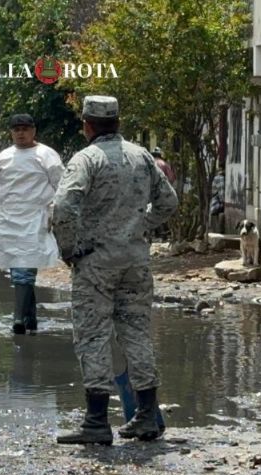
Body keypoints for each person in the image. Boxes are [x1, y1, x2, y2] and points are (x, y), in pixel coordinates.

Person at [52, 96, 178, 445]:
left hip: (95, 262)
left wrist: (69, 249)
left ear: (86, 124)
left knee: (93, 336)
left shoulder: (86, 160)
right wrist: (139, 226)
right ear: (118, 123)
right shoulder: (142, 157)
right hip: (135, 260)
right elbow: (169, 202)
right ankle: (147, 416)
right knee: (137, 332)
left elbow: (63, 208)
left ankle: (95, 422)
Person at [0, 113, 64, 335]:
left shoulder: (46, 155)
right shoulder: (3, 157)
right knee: (17, 269)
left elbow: (61, 186)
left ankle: (18, 318)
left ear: (33, 130)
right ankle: (31, 319)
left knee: (25, 270)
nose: (20, 133)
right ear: (11, 132)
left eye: (25, 129)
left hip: (35, 220)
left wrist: (54, 215)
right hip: (7, 221)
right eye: (16, 129)